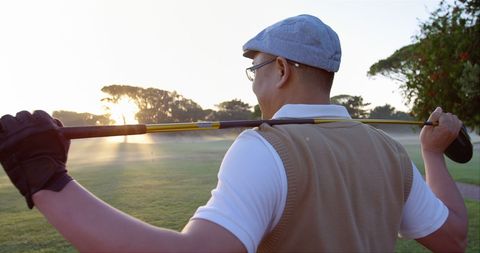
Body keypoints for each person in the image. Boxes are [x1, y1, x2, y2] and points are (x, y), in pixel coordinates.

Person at [0, 14, 467, 252]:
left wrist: (45, 178)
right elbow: (453, 238)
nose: (254, 81)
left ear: (281, 69)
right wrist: (433, 155)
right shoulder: (386, 149)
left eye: (257, 69)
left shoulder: (264, 150)